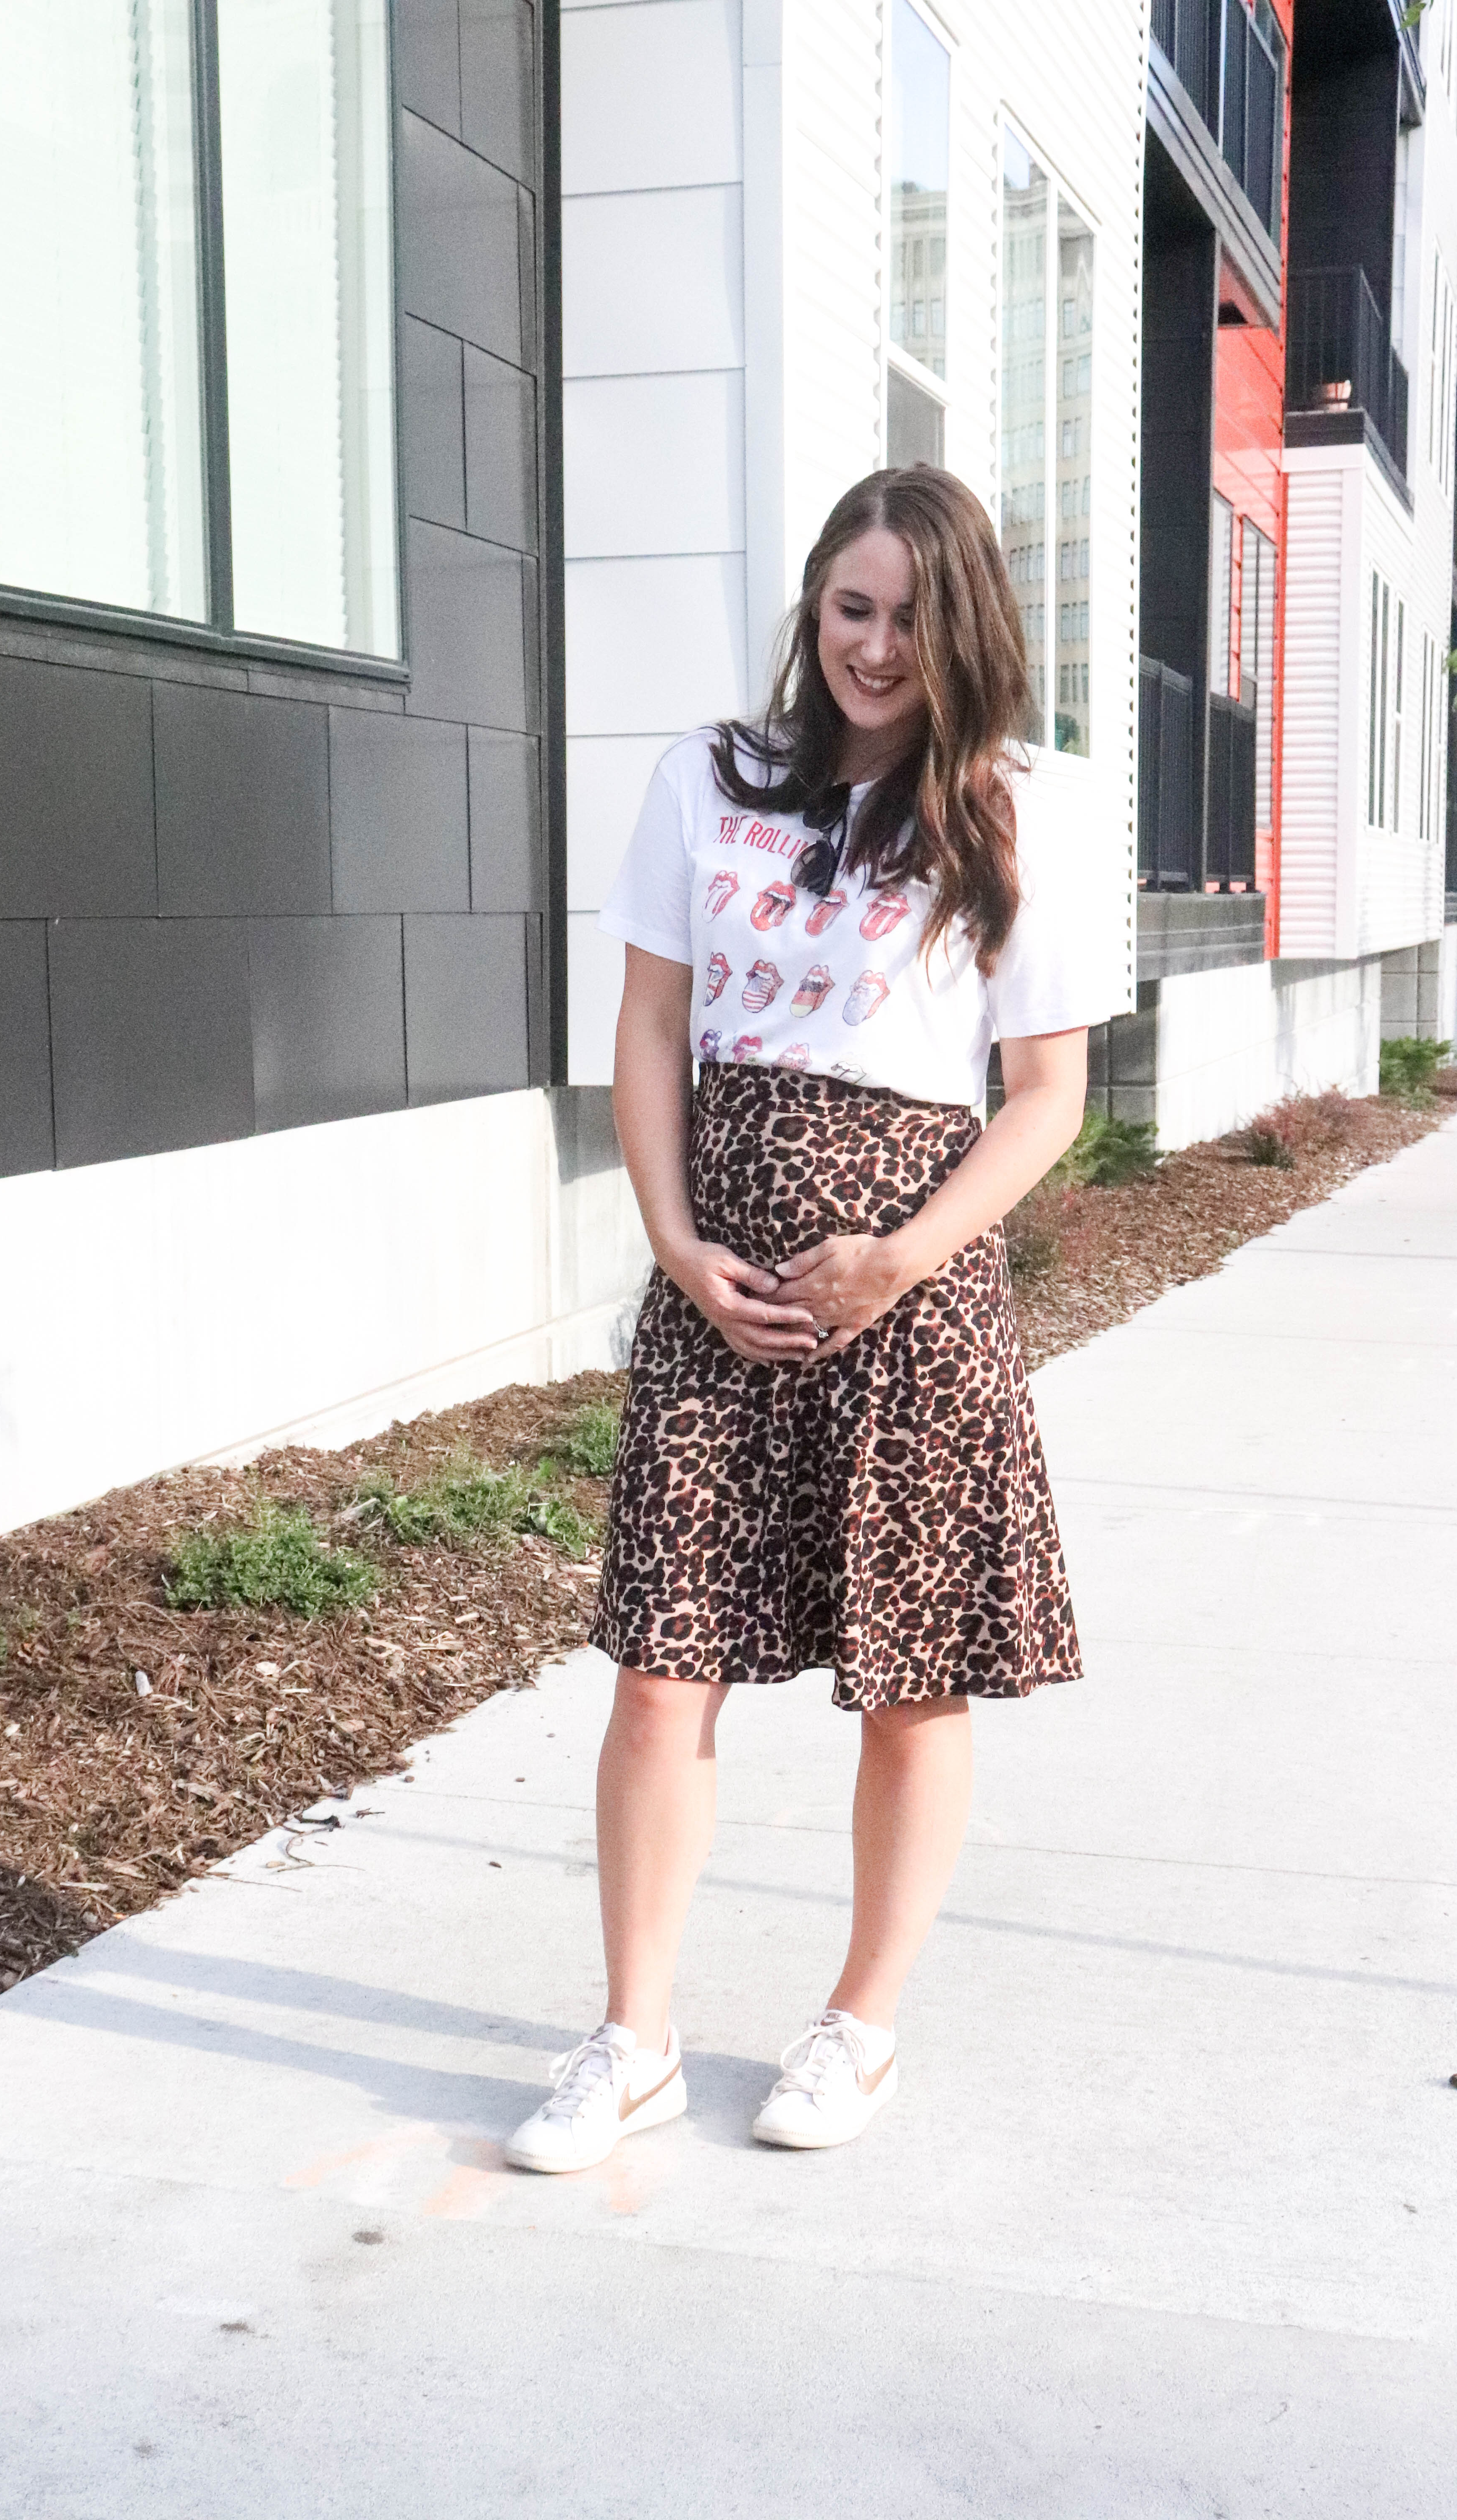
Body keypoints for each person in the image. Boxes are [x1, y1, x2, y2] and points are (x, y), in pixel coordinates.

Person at [506, 465, 1116, 2174]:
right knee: (655, 1676)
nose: (874, 645)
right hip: (723, 1287)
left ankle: (860, 2028)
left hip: (909, 1298)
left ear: (966, 627)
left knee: (910, 1685)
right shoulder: (707, 782)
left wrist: (900, 1257)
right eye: (850, 608)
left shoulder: (1015, 812)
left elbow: (1048, 1096)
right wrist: (679, 1244)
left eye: (912, 618)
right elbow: (646, 1033)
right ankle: (632, 2041)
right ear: (812, 611)